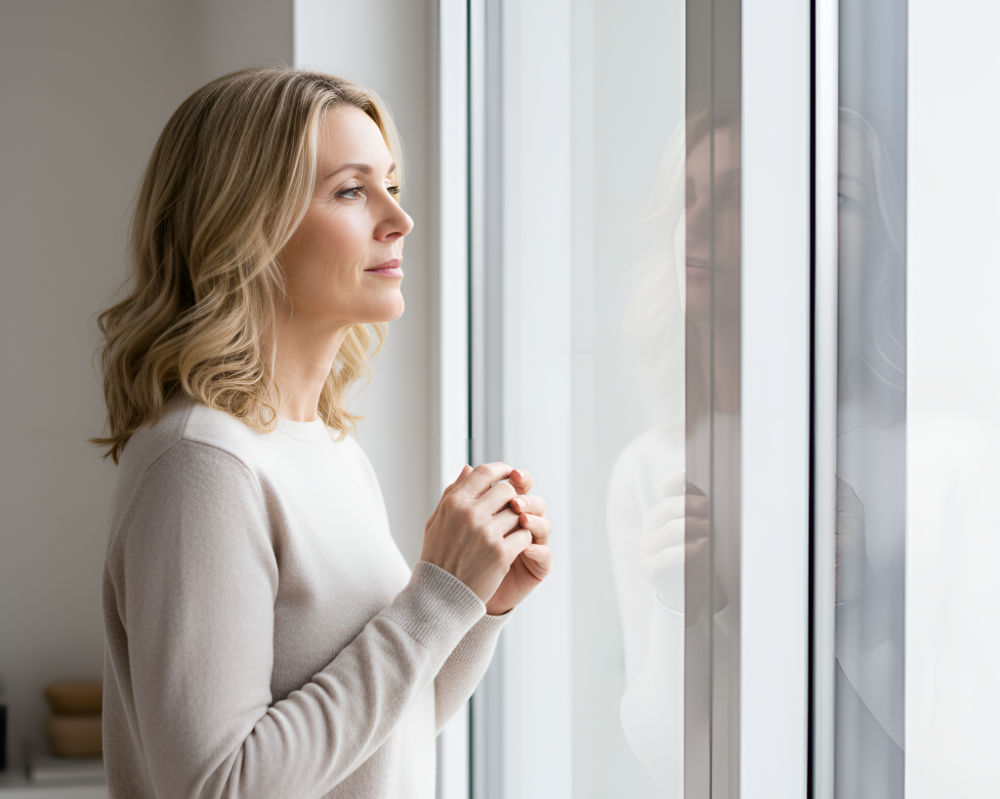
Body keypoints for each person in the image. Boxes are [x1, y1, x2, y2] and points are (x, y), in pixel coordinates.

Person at [92, 66, 552, 799]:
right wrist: (434, 598)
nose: (398, 219)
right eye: (350, 189)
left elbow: (372, 743)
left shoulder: (330, 450)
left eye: (391, 186)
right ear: (244, 224)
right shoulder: (203, 462)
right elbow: (220, 784)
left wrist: (475, 606)